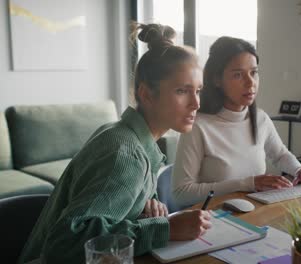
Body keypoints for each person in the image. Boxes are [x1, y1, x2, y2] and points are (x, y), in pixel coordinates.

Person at [18, 23, 211, 264]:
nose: (196, 103)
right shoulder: (126, 155)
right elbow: (64, 243)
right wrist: (167, 228)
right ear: (146, 93)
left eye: (198, 90)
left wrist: (139, 211)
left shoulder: (126, 136)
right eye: (183, 90)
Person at [172, 36, 301, 208]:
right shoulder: (198, 125)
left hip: (253, 213)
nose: (250, 82)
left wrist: (299, 169)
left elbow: (280, 154)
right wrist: (248, 183)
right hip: (212, 220)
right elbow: (181, 194)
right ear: (217, 80)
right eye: (238, 75)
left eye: (254, 72)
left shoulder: (260, 118)